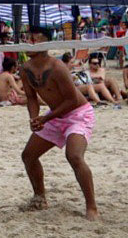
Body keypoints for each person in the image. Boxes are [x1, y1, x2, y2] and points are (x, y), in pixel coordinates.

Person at [19, 26, 98, 220]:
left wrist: (45, 118)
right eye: (28, 38)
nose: (30, 42)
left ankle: (92, 208)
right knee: (28, 156)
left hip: (77, 114)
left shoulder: (57, 68)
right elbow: (30, 97)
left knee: (74, 156)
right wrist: (33, 117)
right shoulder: (25, 69)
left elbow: (71, 100)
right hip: (55, 115)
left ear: (47, 44)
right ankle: (39, 198)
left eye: (35, 39)